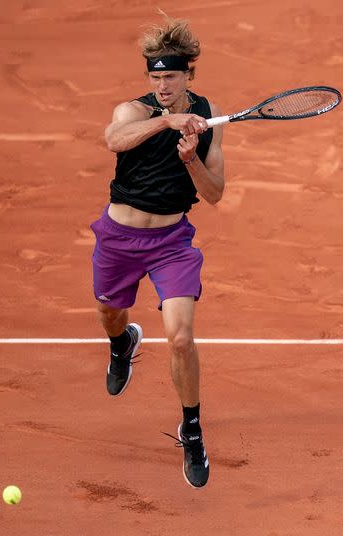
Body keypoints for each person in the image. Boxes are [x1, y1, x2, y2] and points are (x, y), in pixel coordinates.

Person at [89, 16, 224, 489]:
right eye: (155, 77)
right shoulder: (132, 111)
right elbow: (114, 140)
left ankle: (191, 429)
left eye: (170, 76)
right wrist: (166, 121)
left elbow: (214, 193)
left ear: (189, 75)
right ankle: (122, 342)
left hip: (171, 244)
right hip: (119, 238)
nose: (162, 85)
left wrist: (190, 159)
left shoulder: (207, 118)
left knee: (181, 338)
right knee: (110, 313)